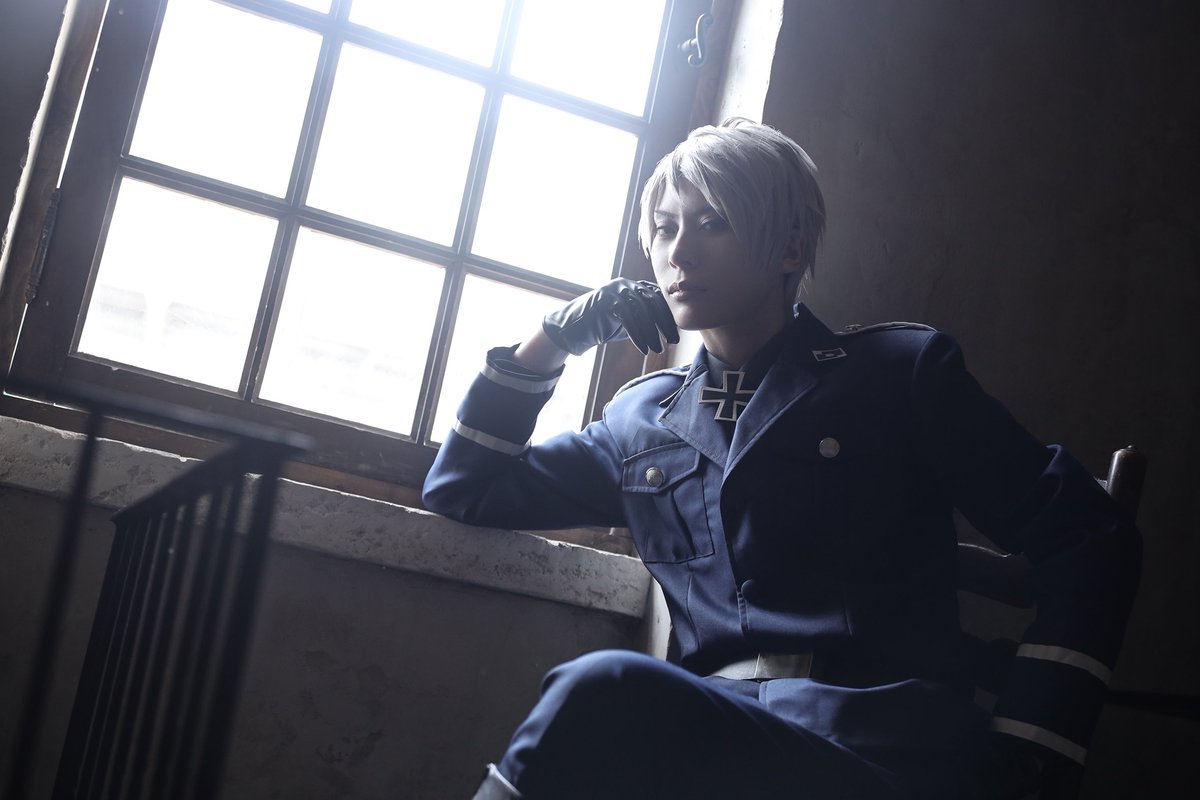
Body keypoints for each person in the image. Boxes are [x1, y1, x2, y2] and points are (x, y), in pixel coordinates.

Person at [422, 119, 1141, 799]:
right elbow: (464, 488)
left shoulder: (899, 374)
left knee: (600, 689)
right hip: (718, 744)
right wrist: (556, 336)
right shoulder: (639, 421)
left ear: (790, 249)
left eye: (714, 223)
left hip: (879, 748)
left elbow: (1091, 537)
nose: (680, 253)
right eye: (665, 228)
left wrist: (1033, 747)